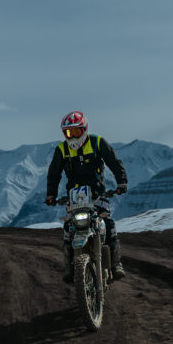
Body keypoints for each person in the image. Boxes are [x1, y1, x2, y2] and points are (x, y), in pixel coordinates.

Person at [45, 111, 128, 283]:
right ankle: (69, 266)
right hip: (74, 197)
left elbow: (114, 162)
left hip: (98, 195)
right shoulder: (62, 149)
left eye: (76, 132)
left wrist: (121, 183)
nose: (72, 136)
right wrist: (51, 195)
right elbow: (54, 173)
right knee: (69, 227)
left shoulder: (98, 142)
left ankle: (116, 264)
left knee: (109, 224)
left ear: (84, 129)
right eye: (69, 132)